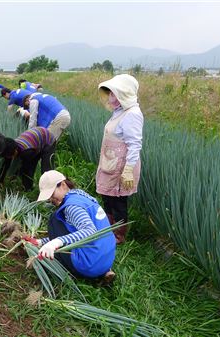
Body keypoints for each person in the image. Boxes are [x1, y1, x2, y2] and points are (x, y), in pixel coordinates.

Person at [23, 170, 116, 282]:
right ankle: (105, 271)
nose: (51, 199)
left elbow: (90, 231)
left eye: (52, 194)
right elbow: (72, 232)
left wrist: (56, 242)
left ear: (63, 185)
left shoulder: (71, 206)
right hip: (105, 260)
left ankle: (79, 269)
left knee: (54, 219)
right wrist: (41, 242)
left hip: (88, 265)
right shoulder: (82, 197)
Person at [96, 74, 143, 244]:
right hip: (110, 163)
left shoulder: (132, 114)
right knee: (107, 197)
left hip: (121, 166)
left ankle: (119, 235)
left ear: (125, 94)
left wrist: (129, 169)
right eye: (109, 94)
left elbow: (134, 144)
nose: (111, 98)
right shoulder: (119, 111)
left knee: (118, 201)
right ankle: (108, 229)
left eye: (114, 94)